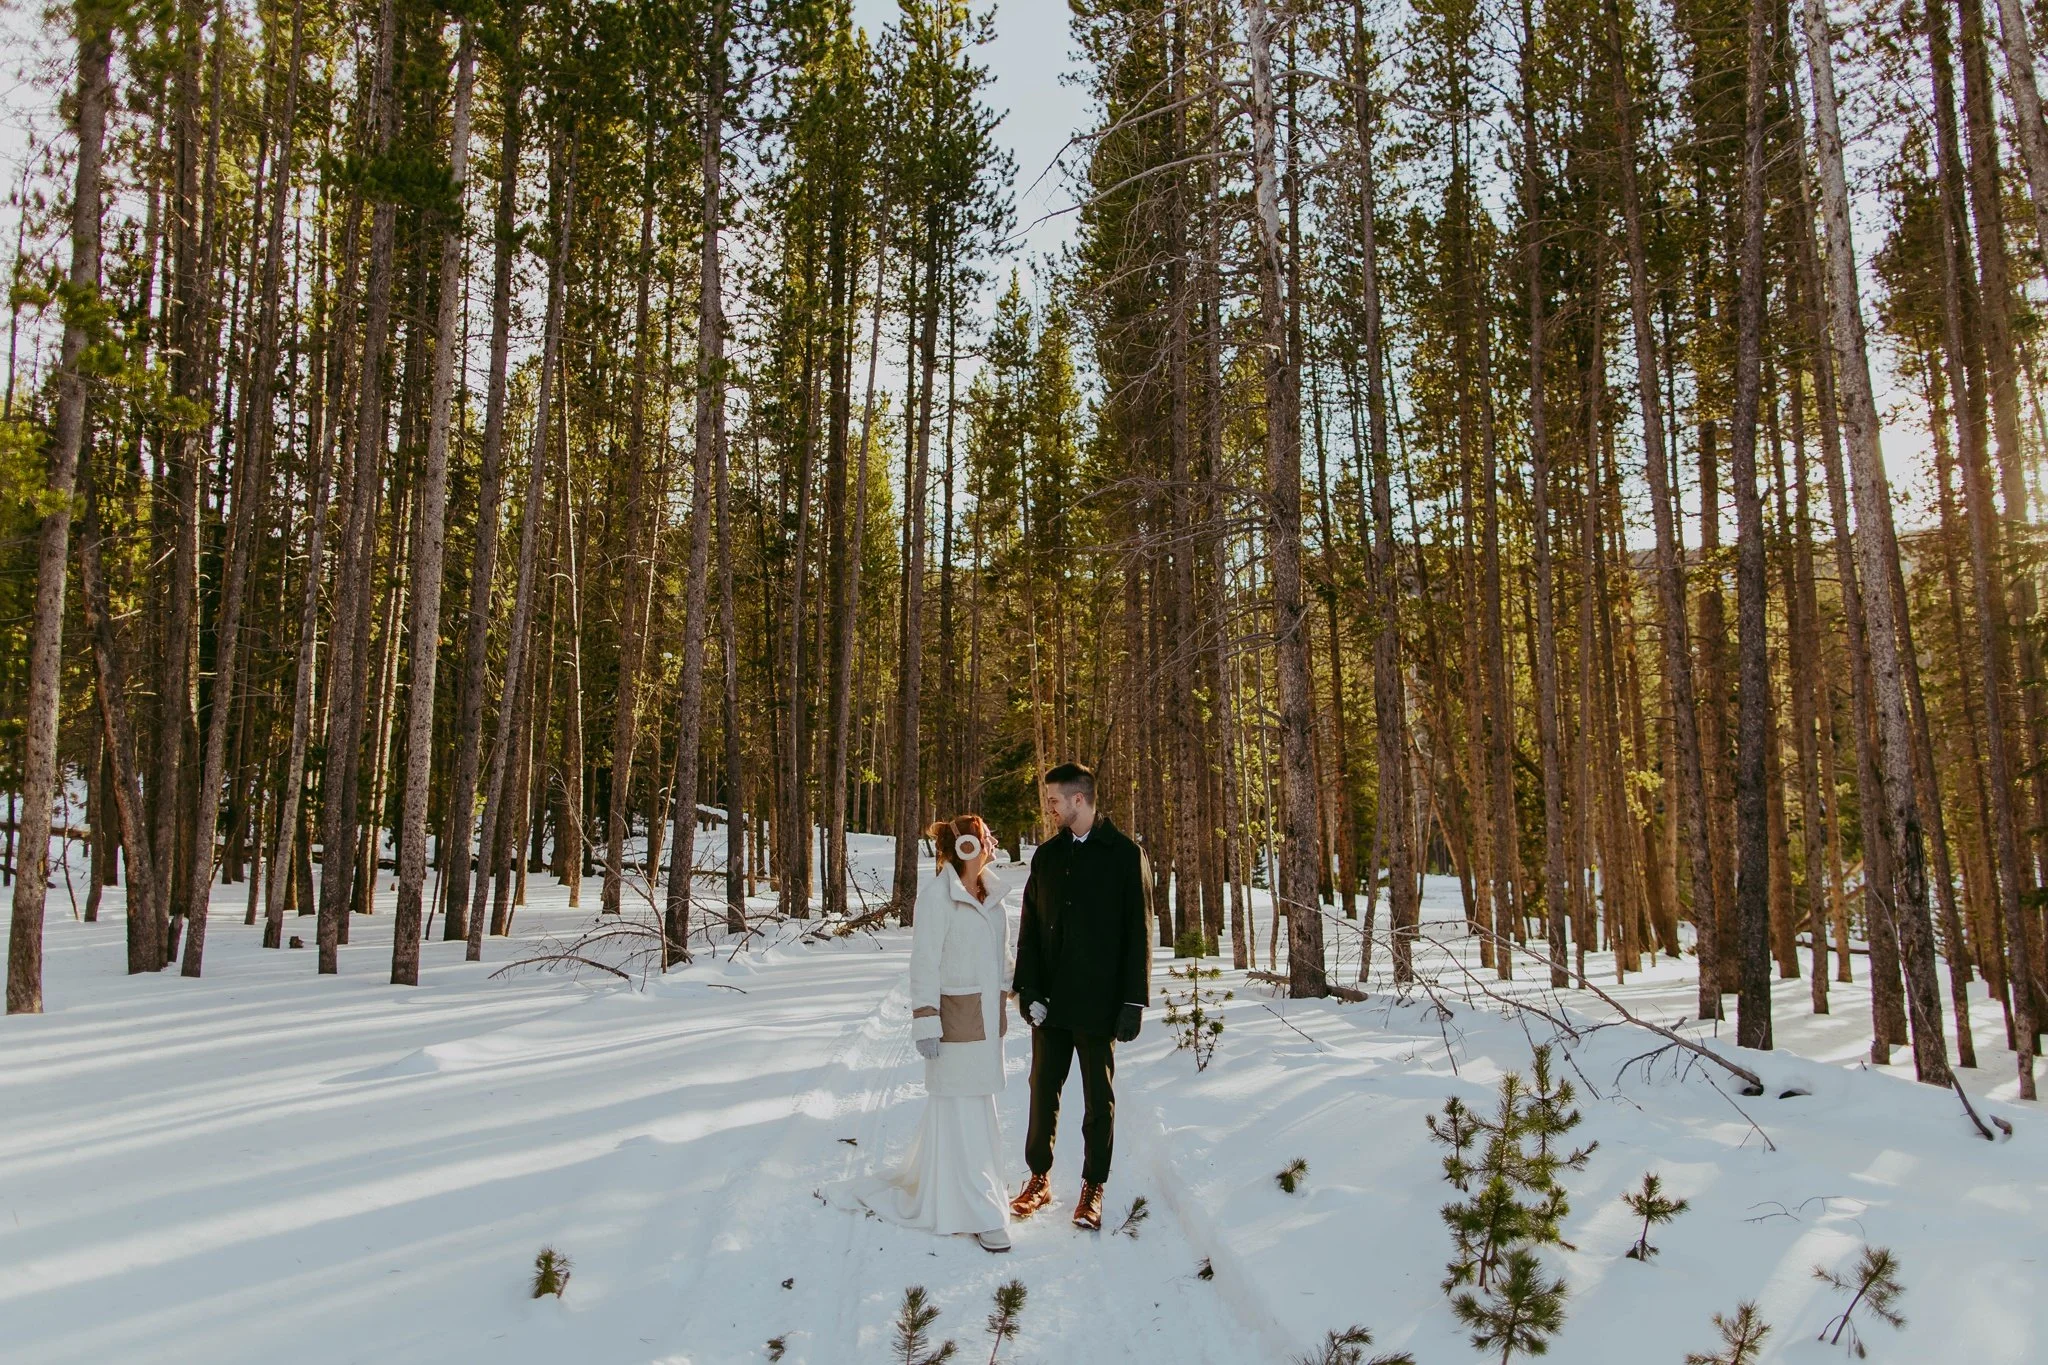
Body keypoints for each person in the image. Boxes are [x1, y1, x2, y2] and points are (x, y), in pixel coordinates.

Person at [823, 814, 1016, 1253]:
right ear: (967, 847)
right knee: (961, 1113)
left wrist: (1024, 992)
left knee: (974, 1113)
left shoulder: (994, 896)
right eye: (986, 837)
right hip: (952, 1026)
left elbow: (1002, 959)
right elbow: (923, 965)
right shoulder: (936, 897)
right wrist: (926, 1021)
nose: (993, 842)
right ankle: (978, 1212)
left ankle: (963, 1195)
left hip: (986, 1026)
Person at [1009, 762, 1151, 1231]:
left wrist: (1134, 1001)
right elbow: (1029, 930)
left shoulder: (1124, 855)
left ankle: (1094, 1186)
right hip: (1049, 1002)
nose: (1049, 809)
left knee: (1098, 1098)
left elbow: (1138, 934)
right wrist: (1027, 989)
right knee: (1041, 1091)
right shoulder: (1047, 858)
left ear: (1079, 799)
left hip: (1098, 1002)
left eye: (1054, 801)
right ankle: (1039, 1178)